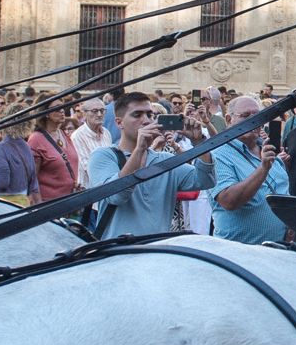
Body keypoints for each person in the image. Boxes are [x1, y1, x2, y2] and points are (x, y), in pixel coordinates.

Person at [83, 92, 214, 238]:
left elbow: (205, 181)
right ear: (119, 123)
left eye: (150, 115)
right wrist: (140, 149)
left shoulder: (165, 160)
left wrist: (199, 143)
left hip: (157, 250)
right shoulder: (103, 156)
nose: (146, 121)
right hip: (117, 249)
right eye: (137, 115)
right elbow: (117, 197)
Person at [209, 93, 290, 242]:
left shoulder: (270, 152)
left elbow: (284, 192)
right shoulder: (218, 155)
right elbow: (229, 201)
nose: (253, 121)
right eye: (245, 116)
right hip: (238, 251)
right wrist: (263, 168)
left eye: (257, 115)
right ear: (229, 119)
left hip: (277, 248)